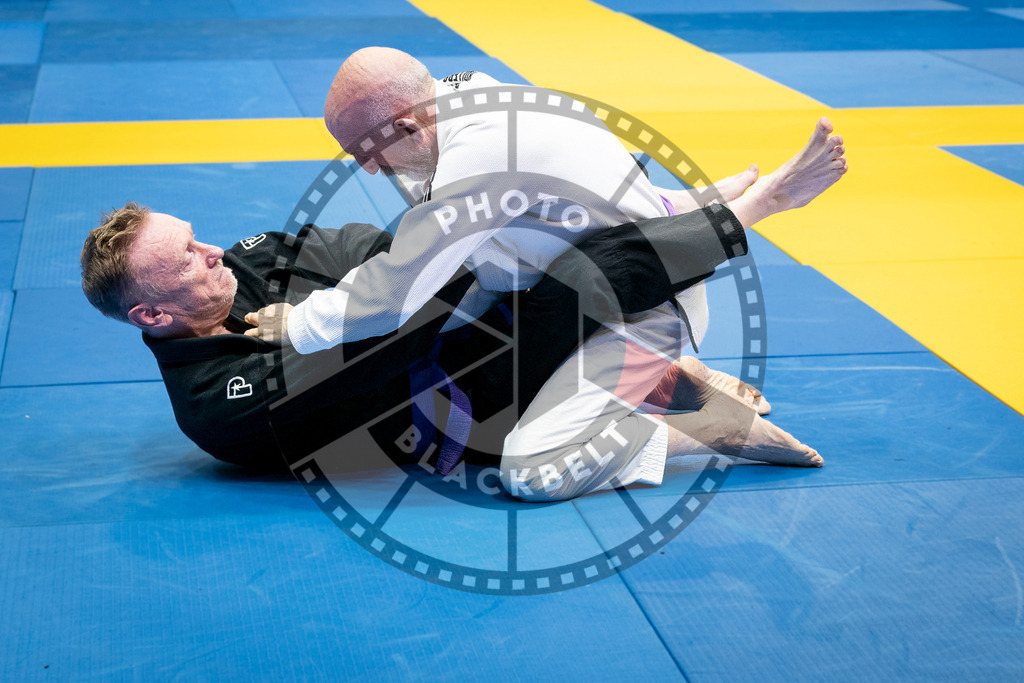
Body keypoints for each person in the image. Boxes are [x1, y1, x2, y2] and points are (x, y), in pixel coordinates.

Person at [244, 49, 845, 499]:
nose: (368, 171)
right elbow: (579, 183)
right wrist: (688, 199)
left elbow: (396, 290)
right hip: (574, 292)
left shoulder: (479, 153)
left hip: (643, 307)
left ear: (406, 124)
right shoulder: (464, 91)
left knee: (530, 469)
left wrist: (299, 324)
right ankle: (666, 375)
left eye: (366, 152)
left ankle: (713, 429)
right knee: (480, 380)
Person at [80, 202, 777, 477]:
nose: (215, 251)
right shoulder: (216, 402)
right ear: (152, 315)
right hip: (467, 420)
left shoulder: (247, 261)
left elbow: (366, 245)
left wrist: (422, 262)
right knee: (568, 281)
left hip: (455, 339)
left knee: (536, 233)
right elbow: (380, 340)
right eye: (188, 259)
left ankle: (648, 370)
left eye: (195, 235)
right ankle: (744, 215)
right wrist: (449, 254)